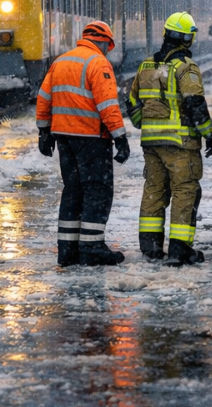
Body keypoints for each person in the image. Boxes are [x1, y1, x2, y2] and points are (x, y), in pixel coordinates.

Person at [126, 12, 212, 266]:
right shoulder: (185, 67)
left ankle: (151, 246)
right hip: (180, 144)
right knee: (185, 192)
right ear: (187, 39)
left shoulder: (146, 66)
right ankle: (180, 248)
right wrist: (210, 134)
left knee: (154, 191)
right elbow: (195, 104)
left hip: (151, 144)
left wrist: (144, 124)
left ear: (166, 34)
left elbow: (131, 102)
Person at [36, 21, 130, 267]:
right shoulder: (98, 63)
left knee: (73, 190)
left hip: (63, 138)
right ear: (104, 42)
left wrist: (44, 131)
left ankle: (67, 251)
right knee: (97, 190)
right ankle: (92, 248)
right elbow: (107, 105)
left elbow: (43, 98)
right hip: (91, 138)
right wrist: (120, 137)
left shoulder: (61, 61)